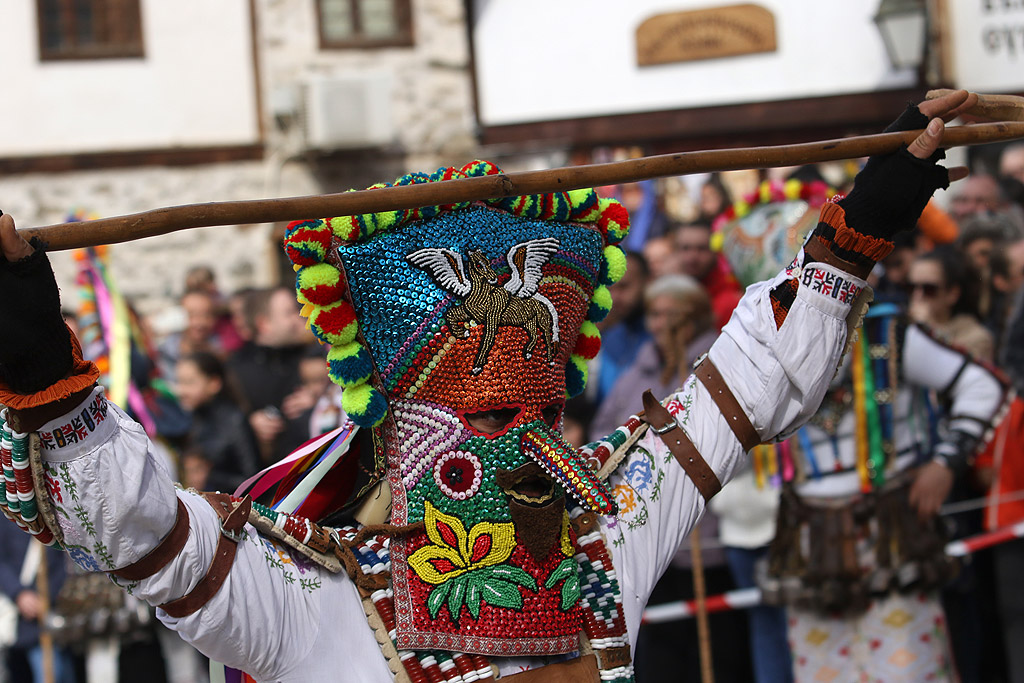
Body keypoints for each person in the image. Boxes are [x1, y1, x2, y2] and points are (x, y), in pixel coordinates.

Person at [0, 91, 985, 682]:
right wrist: (38, 355)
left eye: (538, 410)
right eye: (482, 419)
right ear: (406, 432)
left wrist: (873, 207)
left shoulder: (603, 538)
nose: (521, 435)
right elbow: (139, 533)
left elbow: (749, 379)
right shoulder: (316, 595)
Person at [175, 352, 261, 494]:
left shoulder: (234, 420)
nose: (181, 390)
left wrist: (209, 477)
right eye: (179, 382)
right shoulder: (186, 418)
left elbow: (252, 479)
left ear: (214, 383)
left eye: (190, 382)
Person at [667, 221, 742, 329]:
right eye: (685, 248)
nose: (692, 257)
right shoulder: (668, 294)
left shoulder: (729, 302)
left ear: (715, 253)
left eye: (701, 249)